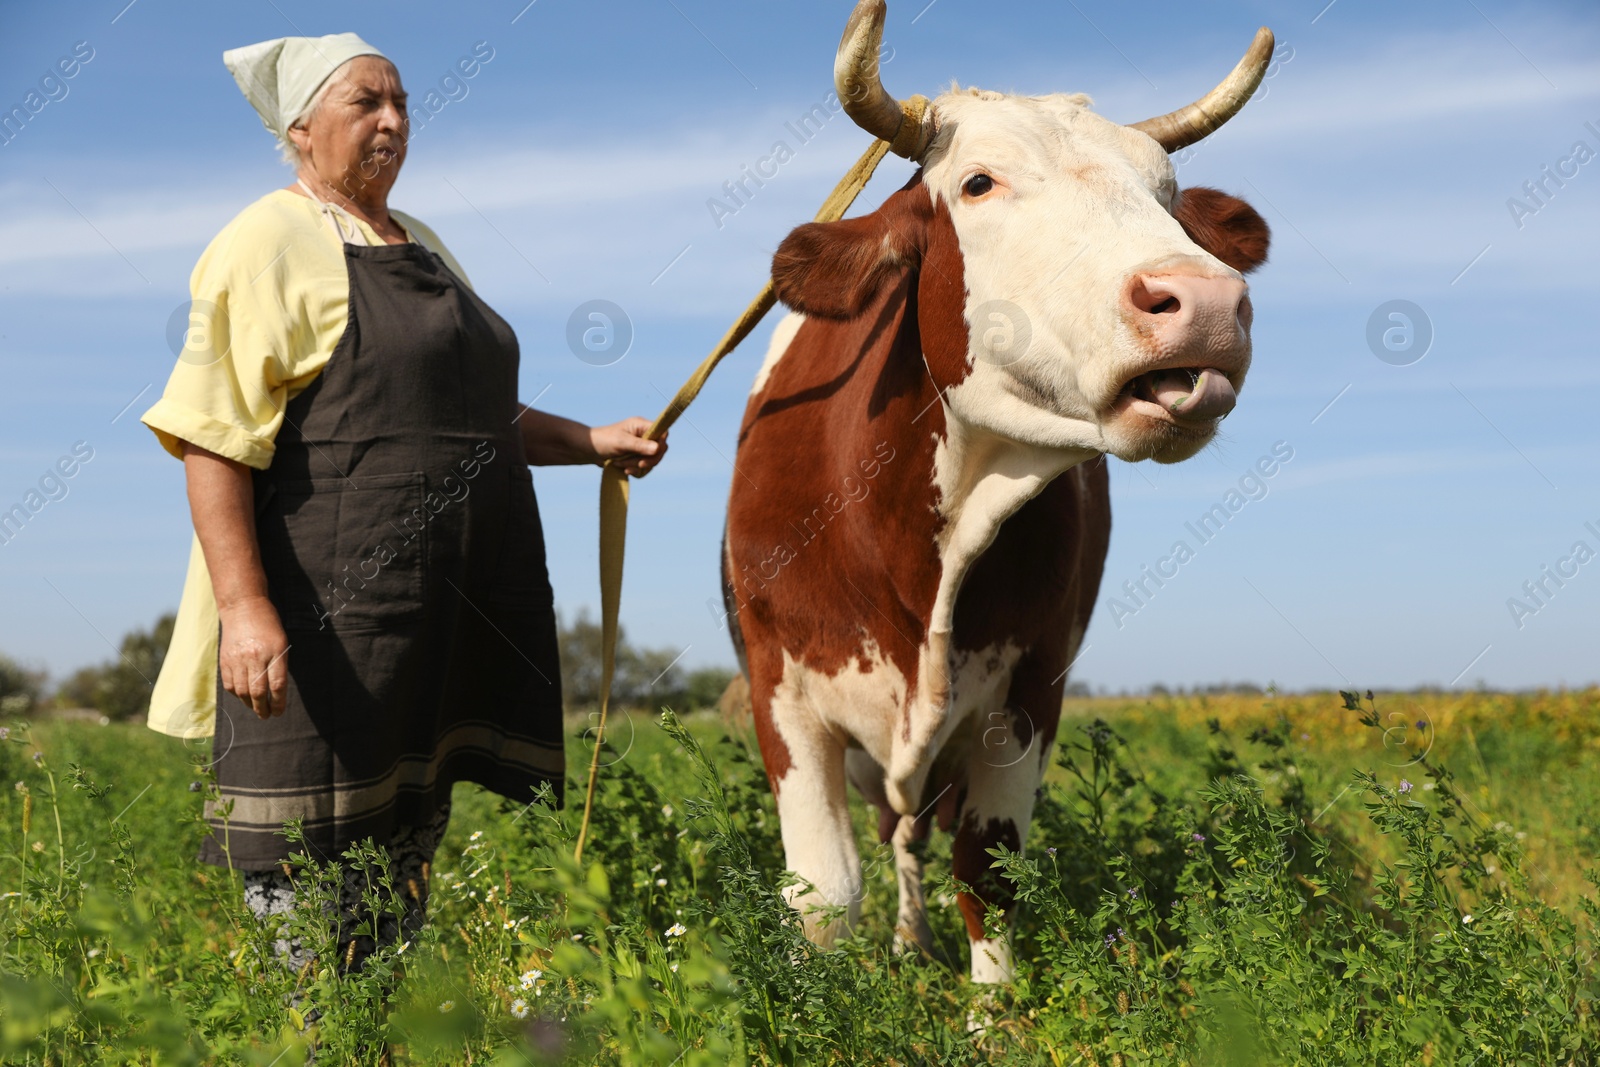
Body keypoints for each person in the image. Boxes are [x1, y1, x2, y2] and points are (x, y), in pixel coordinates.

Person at [140, 32, 666, 978]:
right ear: (301, 130)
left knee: (394, 884)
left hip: (431, 624)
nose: (393, 122)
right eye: (365, 104)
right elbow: (211, 433)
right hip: (321, 621)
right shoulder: (267, 238)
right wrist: (245, 608)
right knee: (305, 897)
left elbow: (474, 414)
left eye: (402, 103)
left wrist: (588, 441)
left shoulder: (422, 244)